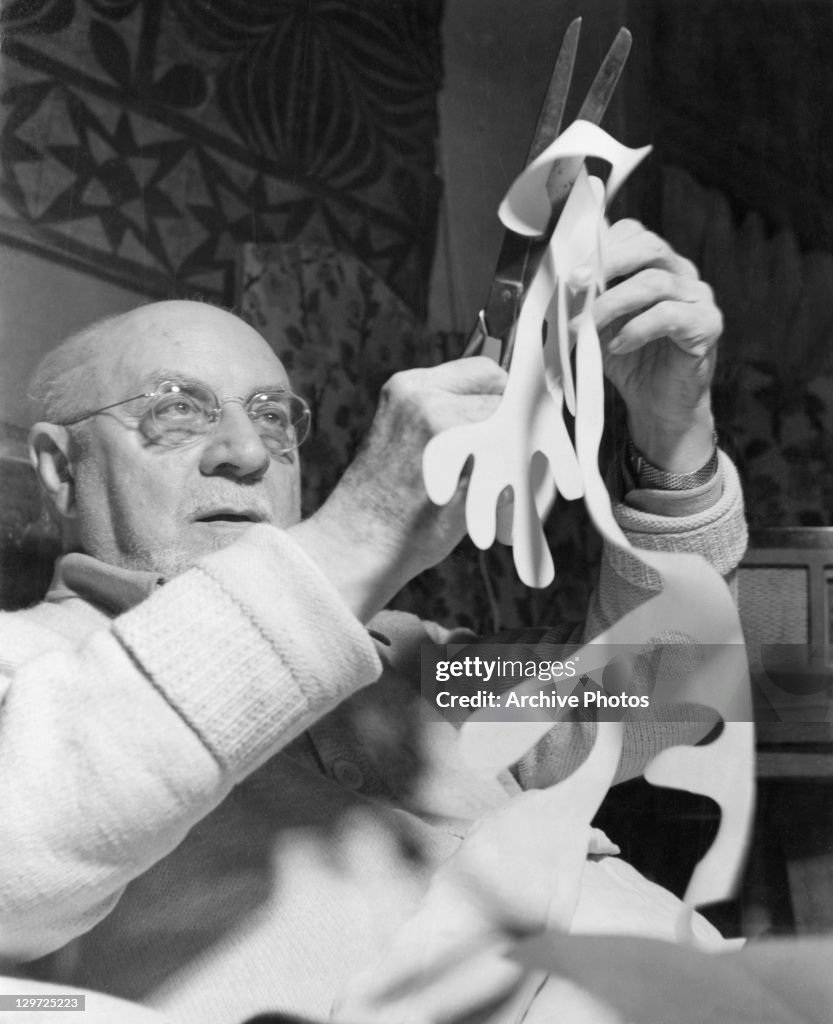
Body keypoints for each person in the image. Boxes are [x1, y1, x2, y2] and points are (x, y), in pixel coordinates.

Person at [0, 220, 745, 1024]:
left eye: (274, 416)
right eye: (177, 410)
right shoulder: (26, 666)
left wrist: (673, 439)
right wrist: (364, 528)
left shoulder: (408, 651)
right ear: (59, 467)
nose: (247, 451)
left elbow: (654, 701)